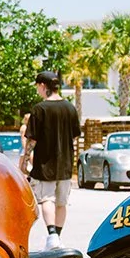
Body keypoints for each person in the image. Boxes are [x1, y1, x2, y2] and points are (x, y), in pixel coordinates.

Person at [23, 69, 81, 242]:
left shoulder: (39, 109)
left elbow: (31, 139)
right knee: (62, 202)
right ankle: (58, 237)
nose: (37, 91)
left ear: (43, 86)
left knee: (47, 199)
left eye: (37, 87)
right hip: (65, 164)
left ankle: (52, 235)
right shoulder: (70, 108)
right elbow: (75, 136)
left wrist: (25, 161)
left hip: (44, 164)